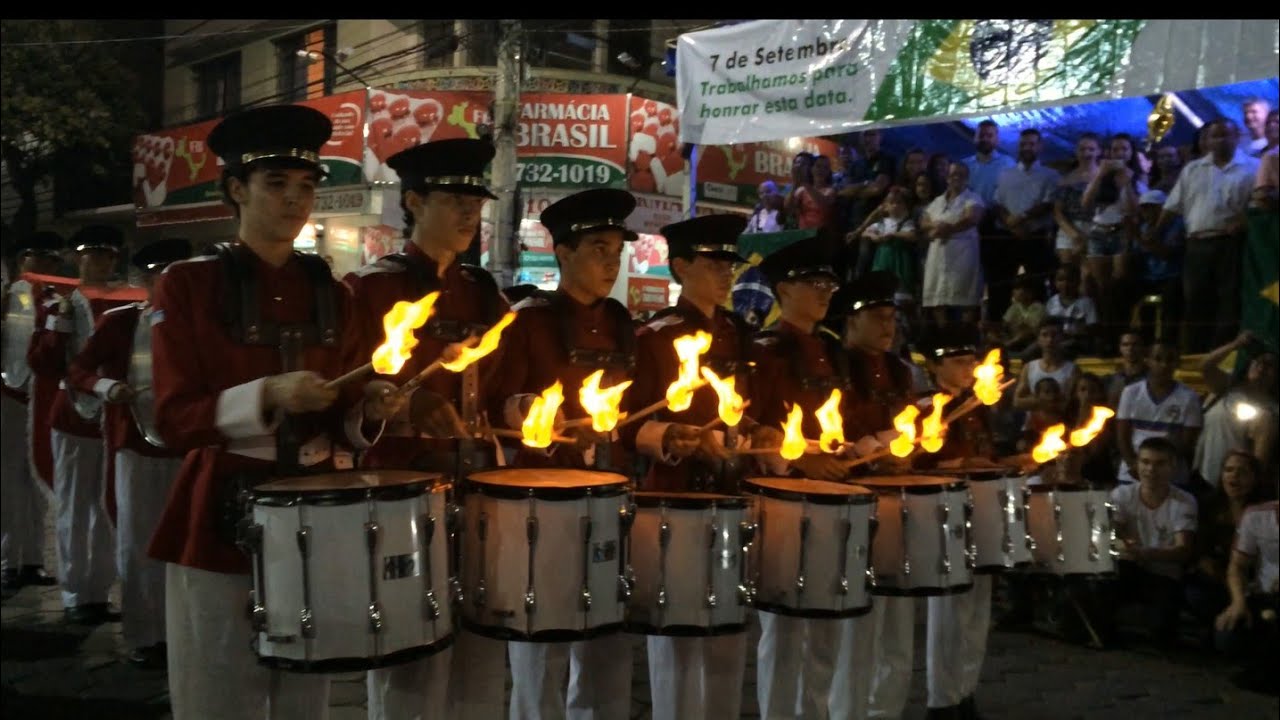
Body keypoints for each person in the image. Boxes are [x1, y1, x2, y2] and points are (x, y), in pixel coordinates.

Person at [146, 104, 401, 719]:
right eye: (276, 184)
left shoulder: (335, 293)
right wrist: (268, 394)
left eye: (307, 186)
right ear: (236, 189)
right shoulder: (188, 284)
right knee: (218, 691)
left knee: (305, 695)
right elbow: (173, 418)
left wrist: (369, 410)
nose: (296, 199)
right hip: (219, 512)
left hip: (318, 508)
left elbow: (346, 416)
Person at [343, 137, 510, 720]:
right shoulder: (372, 288)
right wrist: (396, 405)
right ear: (412, 202)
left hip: (477, 488)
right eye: (453, 199)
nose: (470, 213)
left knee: (484, 650)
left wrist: (521, 410)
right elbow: (341, 391)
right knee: (409, 651)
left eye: (476, 202)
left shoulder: (483, 291)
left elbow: (503, 385)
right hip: (399, 494)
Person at [486, 188, 640, 720]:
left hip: (609, 501)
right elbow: (494, 406)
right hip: (541, 510)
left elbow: (634, 410)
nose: (610, 262)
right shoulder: (527, 319)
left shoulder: (622, 322)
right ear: (563, 253)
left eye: (617, 251)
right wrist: (532, 413)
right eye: (599, 248)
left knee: (608, 648)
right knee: (541, 651)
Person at [624, 214, 772, 720]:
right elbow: (627, 423)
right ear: (680, 266)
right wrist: (669, 436)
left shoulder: (736, 334)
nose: (725, 272)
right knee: (681, 641)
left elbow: (741, 409)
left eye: (729, 263)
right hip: (676, 497)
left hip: (732, 495)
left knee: (730, 634)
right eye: (712, 262)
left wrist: (761, 431)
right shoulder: (655, 335)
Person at [749, 235, 868, 720]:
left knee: (827, 626)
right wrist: (800, 461)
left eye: (829, 283)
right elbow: (751, 429)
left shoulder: (833, 351)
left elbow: (848, 427)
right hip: (784, 504)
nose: (826, 292)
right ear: (783, 289)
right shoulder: (765, 349)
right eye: (814, 283)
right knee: (783, 629)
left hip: (833, 501)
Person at [63, 237, 192, 668]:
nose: (168, 283)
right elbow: (78, 370)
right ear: (144, 280)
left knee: (186, 544)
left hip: (189, 447)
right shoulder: (120, 323)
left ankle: (181, 631)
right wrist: (106, 387)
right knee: (137, 543)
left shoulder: (201, 326)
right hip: (136, 445)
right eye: (160, 275)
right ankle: (144, 634)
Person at [26, 224, 131, 625]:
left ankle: (99, 592)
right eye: (89, 254)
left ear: (114, 260)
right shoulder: (59, 303)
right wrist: (59, 326)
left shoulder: (124, 303)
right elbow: (42, 364)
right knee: (73, 506)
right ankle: (74, 593)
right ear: (77, 258)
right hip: (71, 416)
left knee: (105, 508)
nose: (97, 262)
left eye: (104, 255)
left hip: (111, 416)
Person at [1153, 118, 1259, 352]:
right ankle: (1196, 355)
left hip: (1232, 243)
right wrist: (1156, 233)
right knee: (1196, 301)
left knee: (1228, 301)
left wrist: (1243, 220)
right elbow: (1172, 206)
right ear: (1206, 140)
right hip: (1197, 244)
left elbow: (1260, 206)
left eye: (1226, 135)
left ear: (1237, 137)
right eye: (1215, 136)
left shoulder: (1253, 167)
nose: (1221, 140)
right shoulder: (1192, 169)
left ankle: (1223, 354)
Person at [0, 231, 64, 592]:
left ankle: (33, 560)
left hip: (40, 395)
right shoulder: (9, 297)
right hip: (8, 393)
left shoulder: (60, 301)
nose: (44, 265)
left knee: (37, 477)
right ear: (23, 260)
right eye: (37, 258)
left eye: (51, 259)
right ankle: (11, 560)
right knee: (9, 482)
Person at [1187, 451, 1266, 644]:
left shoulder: (1264, 511)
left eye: (1242, 472)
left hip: (1254, 582)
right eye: (1229, 470)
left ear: (1254, 478)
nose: (1234, 476)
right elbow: (1200, 552)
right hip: (1218, 580)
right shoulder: (1209, 506)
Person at [988, 128, 1060, 323]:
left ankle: (1040, 329)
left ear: (1040, 146)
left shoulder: (1050, 175)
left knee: (1037, 284)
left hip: (1035, 236)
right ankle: (998, 330)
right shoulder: (1005, 174)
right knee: (1001, 285)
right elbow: (997, 203)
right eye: (1023, 144)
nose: (1027, 148)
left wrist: (1022, 218)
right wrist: (1010, 222)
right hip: (1007, 236)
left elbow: (1049, 203)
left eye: (1031, 144)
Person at [1193, 332, 1278, 490]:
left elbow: (1261, 457)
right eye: (1258, 362)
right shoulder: (1227, 387)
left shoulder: (1272, 410)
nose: (1262, 367)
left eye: (1269, 365)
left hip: (1235, 484)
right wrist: (1235, 344)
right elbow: (1205, 366)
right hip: (1202, 476)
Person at [1214, 489, 1279, 694]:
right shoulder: (1257, 516)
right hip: (1266, 596)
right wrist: (1238, 601)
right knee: (1228, 636)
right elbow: (1237, 566)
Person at [1115, 340, 1203, 487]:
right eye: (1158, 359)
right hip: (1132, 473)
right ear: (1147, 360)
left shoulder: (1189, 397)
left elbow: (1188, 443)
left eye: (1170, 360)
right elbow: (1122, 436)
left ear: (1177, 363)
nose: (1164, 365)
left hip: (1171, 475)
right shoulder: (1131, 392)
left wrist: (1161, 467)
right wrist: (1134, 465)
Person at [921, 162, 985, 327]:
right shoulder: (938, 201)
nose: (956, 177)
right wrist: (937, 227)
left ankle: (964, 335)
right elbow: (923, 222)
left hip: (963, 252)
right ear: (947, 177)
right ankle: (945, 335)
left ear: (967, 178)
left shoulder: (972, 198)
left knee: (965, 295)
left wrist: (946, 229)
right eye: (953, 174)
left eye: (961, 174)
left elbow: (971, 218)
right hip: (938, 253)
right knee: (937, 296)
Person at [1012, 319, 1080, 417]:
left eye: (1054, 335)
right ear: (1038, 340)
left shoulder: (1072, 370)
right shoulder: (1029, 367)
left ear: (1062, 338)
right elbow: (1017, 401)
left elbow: (1068, 404)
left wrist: (1034, 401)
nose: (1050, 340)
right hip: (1032, 425)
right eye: (1045, 335)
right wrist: (1048, 401)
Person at [1044, 263, 1098, 359]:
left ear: (1078, 282)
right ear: (1055, 282)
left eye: (1070, 280)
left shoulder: (1086, 302)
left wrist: (1075, 333)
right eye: (1061, 280)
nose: (1065, 284)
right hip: (1055, 340)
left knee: (1062, 348)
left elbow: (1092, 328)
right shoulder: (1051, 302)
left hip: (1076, 341)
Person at [1003, 275, 1046, 360]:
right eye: (1015, 289)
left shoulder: (1038, 307)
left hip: (1031, 341)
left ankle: (1010, 353)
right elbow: (1005, 324)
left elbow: (1031, 331)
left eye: (1019, 289)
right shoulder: (1014, 307)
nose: (1015, 292)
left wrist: (1011, 341)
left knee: (1032, 343)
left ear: (1030, 292)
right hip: (1014, 338)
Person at [1105, 331, 1148, 409]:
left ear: (1143, 347)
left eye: (1135, 345)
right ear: (1120, 348)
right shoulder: (1111, 379)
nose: (1130, 348)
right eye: (1125, 345)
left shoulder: (1152, 378)